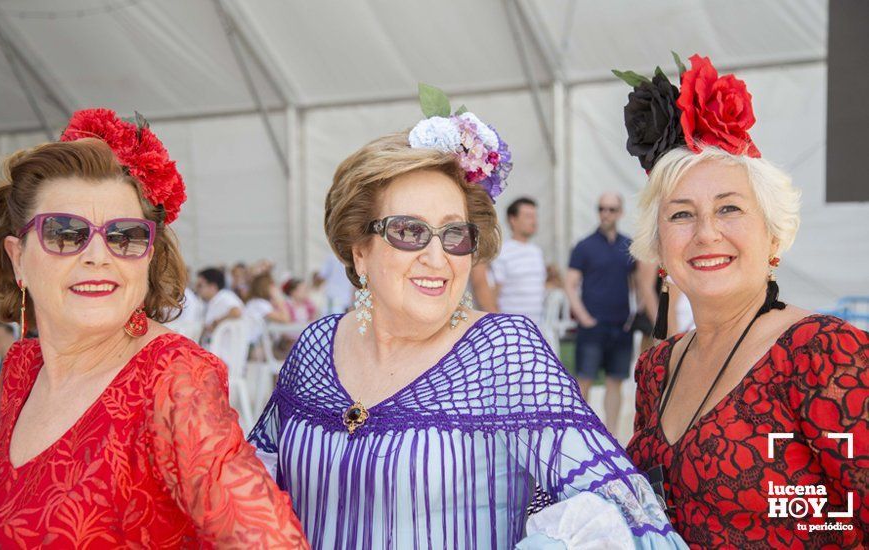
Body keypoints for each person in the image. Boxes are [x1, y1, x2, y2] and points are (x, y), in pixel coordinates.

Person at [250, 91, 684, 549]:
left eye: (455, 234)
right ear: (360, 251)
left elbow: (617, 508)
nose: (437, 258)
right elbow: (251, 482)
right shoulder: (316, 345)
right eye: (408, 231)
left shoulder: (502, 350)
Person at [0, 109, 307, 548]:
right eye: (64, 233)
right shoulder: (21, 370)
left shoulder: (172, 382)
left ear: (148, 256)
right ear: (18, 258)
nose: (98, 255)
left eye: (124, 236)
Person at [618, 54, 867, 547]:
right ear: (659, 247)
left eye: (729, 208)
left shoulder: (824, 353)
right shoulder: (656, 369)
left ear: (773, 237)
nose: (707, 233)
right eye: (682, 215)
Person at [565, 191, 639, 436]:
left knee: (615, 382)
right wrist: (584, 318)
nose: (605, 214)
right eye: (601, 208)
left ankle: (613, 435)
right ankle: (581, 435)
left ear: (620, 213)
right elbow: (570, 284)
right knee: (584, 381)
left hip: (621, 325)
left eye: (611, 209)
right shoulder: (584, 246)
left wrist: (635, 316)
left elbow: (639, 283)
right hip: (593, 326)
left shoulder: (628, 246)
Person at [483, 197, 547, 327]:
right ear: (512, 220)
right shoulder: (502, 252)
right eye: (528, 216)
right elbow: (494, 292)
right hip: (511, 329)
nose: (534, 221)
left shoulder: (537, 251)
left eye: (535, 216)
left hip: (536, 328)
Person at [196, 266, 244, 340]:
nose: (197, 289)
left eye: (200, 286)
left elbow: (236, 312)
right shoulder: (211, 301)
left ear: (213, 286)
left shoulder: (224, 296)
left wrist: (216, 323)